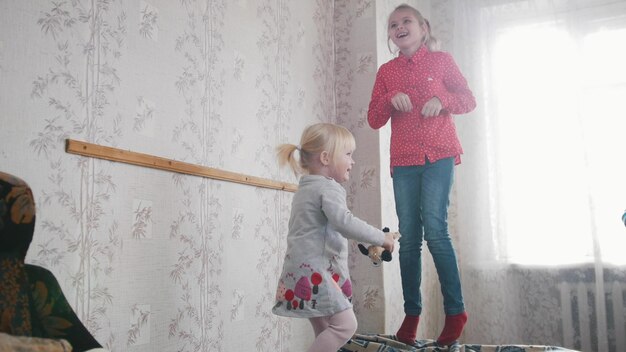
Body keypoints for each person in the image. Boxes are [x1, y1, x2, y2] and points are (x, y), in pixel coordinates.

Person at [367, 4, 477, 347]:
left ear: (423, 28)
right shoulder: (387, 72)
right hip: (404, 161)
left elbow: (468, 99)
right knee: (409, 237)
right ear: (390, 34)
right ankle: (412, 314)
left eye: (406, 21)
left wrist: (441, 99)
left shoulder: (442, 61)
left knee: (436, 229)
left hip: (439, 155)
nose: (399, 27)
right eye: (393, 24)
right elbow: (373, 118)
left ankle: (455, 311)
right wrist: (389, 98)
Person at [272, 123, 397, 352]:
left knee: (325, 329)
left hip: (301, 270)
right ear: (326, 158)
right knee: (345, 325)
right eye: (348, 154)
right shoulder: (327, 188)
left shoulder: (306, 189)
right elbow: (345, 223)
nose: (353, 161)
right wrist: (381, 238)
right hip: (317, 272)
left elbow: (329, 227)